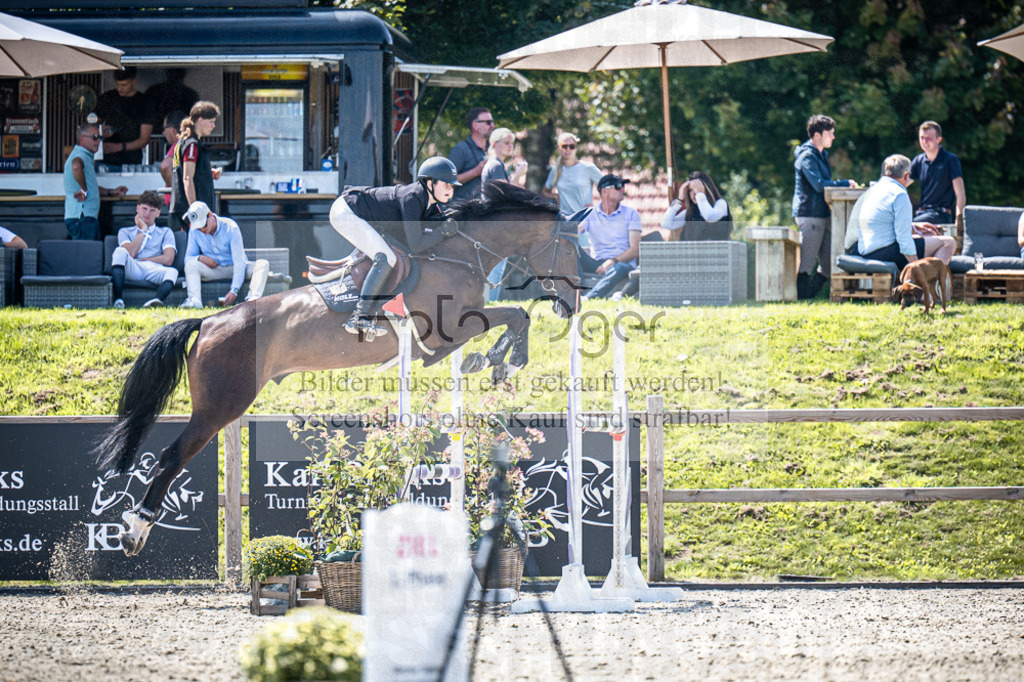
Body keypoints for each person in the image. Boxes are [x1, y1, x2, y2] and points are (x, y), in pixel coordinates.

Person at [328, 156, 460, 336]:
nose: (449, 189)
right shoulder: (412, 198)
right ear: (430, 183)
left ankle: (382, 308)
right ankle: (359, 316)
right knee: (386, 258)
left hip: (361, 214)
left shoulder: (429, 203)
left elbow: (441, 222)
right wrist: (442, 233)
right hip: (346, 212)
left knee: (393, 255)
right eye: (446, 184)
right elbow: (416, 245)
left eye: (451, 186)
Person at [792, 114, 856, 299]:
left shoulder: (821, 155)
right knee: (808, 261)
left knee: (829, 264)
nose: (833, 137)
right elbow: (819, 184)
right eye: (830, 133)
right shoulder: (807, 156)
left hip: (822, 214)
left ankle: (808, 297)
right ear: (817, 135)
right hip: (810, 214)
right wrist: (845, 183)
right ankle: (802, 298)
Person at [180, 201, 268, 309]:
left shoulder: (230, 227)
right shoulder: (194, 231)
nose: (202, 230)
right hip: (214, 270)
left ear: (210, 215)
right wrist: (201, 258)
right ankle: (195, 301)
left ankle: (252, 301)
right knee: (191, 265)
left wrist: (234, 290)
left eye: (203, 225)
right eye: (198, 228)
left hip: (236, 268)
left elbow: (239, 261)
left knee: (262, 264)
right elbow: (188, 259)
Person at [855, 154, 924, 271]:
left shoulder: (872, 191)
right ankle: (928, 284)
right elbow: (903, 239)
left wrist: (914, 227)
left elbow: (882, 224)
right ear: (906, 176)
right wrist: (917, 266)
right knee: (947, 243)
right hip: (886, 253)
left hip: (865, 252)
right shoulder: (899, 194)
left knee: (923, 238)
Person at [110, 191, 178, 309]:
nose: (147, 213)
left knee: (172, 272)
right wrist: (143, 231)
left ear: (158, 213)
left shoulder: (165, 232)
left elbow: (168, 259)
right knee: (119, 251)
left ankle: (155, 302)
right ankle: (118, 301)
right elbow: (131, 253)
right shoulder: (125, 231)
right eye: (144, 208)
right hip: (133, 267)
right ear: (137, 208)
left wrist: (145, 259)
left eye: (152, 210)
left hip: (154, 268)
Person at [578, 174, 642, 300]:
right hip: (597, 263)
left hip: (622, 264)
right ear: (604, 190)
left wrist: (612, 261)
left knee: (618, 268)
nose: (623, 189)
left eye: (623, 186)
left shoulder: (631, 214)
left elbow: (635, 250)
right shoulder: (591, 213)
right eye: (618, 186)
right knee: (568, 246)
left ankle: (589, 297)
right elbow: (575, 231)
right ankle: (575, 292)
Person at [63, 123, 128, 240]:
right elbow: (76, 166)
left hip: (82, 219)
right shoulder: (80, 155)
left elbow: (90, 186)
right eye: (95, 137)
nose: (98, 141)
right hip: (83, 219)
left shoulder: (85, 156)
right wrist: (84, 190)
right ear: (82, 139)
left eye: (100, 138)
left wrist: (110, 192)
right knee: (88, 256)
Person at [171, 101, 223, 231]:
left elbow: (187, 170)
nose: (213, 125)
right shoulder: (192, 145)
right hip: (190, 212)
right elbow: (187, 178)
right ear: (200, 120)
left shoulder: (182, 142)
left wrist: (207, 172)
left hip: (179, 207)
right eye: (210, 121)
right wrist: (195, 209)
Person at [94, 66, 157, 169]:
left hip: (132, 162)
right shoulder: (107, 98)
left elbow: (144, 139)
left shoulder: (145, 102)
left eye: (124, 85)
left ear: (134, 82)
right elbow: (92, 125)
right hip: (105, 161)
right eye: (117, 84)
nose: (120, 88)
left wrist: (118, 147)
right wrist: (100, 131)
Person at [910, 121, 966, 226]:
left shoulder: (950, 160)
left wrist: (959, 220)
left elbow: (960, 193)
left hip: (941, 215)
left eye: (929, 138)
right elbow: (903, 182)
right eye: (922, 137)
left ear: (938, 139)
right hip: (922, 214)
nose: (925, 141)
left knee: (912, 226)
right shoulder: (918, 161)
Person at [543, 132, 603, 216]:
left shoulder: (588, 168)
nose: (568, 149)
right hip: (564, 219)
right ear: (558, 148)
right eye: (564, 146)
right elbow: (545, 191)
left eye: (571, 146)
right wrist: (555, 196)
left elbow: (607, 187)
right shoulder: (555, 170)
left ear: (576, 148)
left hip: (585, 218)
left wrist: (598, 207)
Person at [660, 171, 732, 241]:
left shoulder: (721, 204)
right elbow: (666, 224)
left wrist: (700, 194)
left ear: (707, 188)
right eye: (691, 190)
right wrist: (679, 200)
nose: (694, 193)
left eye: (697, 189)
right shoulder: (690, 213)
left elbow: (709, 217)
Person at [448, 107, 493, 202]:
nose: (492, 125)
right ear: (475, 125)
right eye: (488, 122)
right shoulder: (461, 149)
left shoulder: (493, 149)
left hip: (488, 210)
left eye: (492, 122)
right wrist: (475, 172)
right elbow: (447, 181)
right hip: (465, 212)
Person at [480, 127, 527, 196]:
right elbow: (506, 194)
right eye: (506, 143)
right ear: (494, 144)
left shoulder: (495, 163)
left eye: (512, 143)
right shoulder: (496, 165)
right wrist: (518, 175)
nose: (510, 146)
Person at [159, 110, 186, 188]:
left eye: (164, 128)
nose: (163, 133)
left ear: (173, 131)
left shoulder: (179, 144)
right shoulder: (187, 144)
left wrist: (175, 190)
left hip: (174, 199)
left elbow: (165, 166)